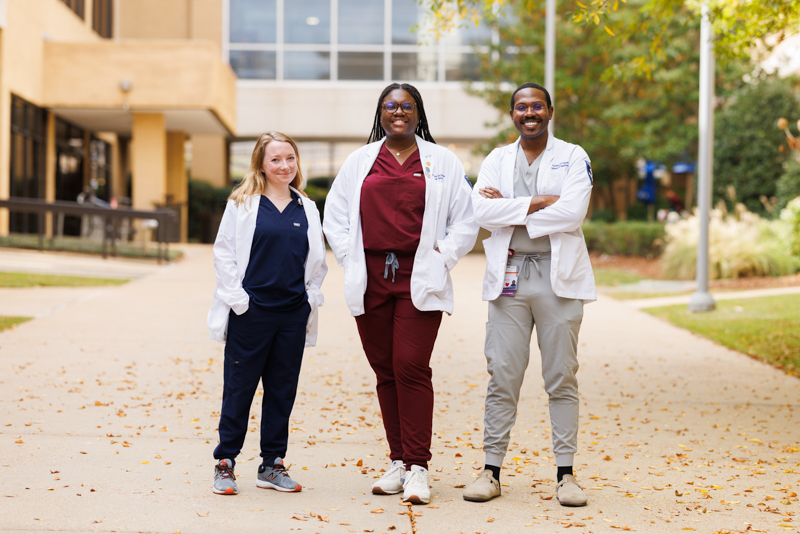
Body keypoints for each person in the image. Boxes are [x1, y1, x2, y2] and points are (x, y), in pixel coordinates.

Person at [323, 83, 478, 505]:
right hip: (370, 275)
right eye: (390, 106)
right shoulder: (360, 161)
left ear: (418, 113)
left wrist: (442, 257)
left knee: (411, 366)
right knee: (385, 371)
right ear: (380, 113)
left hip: (419, 275)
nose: (398, 113)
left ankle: (419, 468)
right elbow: (334, 215)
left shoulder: (441, 160)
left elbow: (466, 220)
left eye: (406, 106)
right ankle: (398, 462)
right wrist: (349, 258)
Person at [462, 83, 596, 507]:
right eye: (522, 107)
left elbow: (573, 212)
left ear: (550, 111)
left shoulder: (574, 156)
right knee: (502, 373)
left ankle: (566, 474)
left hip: (557, 280)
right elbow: (480, 210)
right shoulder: (497, 159)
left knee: (561, 376)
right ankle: (491, 470)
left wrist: (513, 208)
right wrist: (539, 202)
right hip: (510, 276)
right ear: (513, 114)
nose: (529, 112)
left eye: (537, 105)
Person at [206, 132, 327, 496]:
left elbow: (316, 261)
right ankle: (225, 463)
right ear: (261, 163)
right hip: (251, 313)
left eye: (290, 158)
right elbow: (223, 254)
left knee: (281, 391)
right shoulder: (242, 203)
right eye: (276, 159)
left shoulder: (305, 206)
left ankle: (272, 464)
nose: (285, 166)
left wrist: (308, 299)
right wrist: (240, 301)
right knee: (239, 390)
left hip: (291, 315)